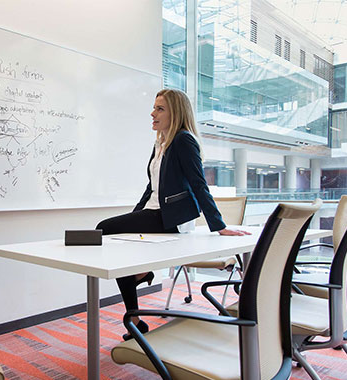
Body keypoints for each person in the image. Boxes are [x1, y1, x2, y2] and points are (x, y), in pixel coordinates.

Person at [96, 88, 250, 341]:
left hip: (173, 219)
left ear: (175, 113)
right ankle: (134, 319)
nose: (152, 113)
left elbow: (198, 184)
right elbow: (152, 187)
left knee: (103, 228)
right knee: (119, 250)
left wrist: (219, 226)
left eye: (160, 108)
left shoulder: (183, 140)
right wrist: (135, 217)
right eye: (154, 107)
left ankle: (139, 284)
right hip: (154, 213)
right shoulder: (161, 141)